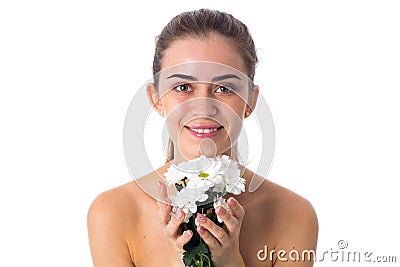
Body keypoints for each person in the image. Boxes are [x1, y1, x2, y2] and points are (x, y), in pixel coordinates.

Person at [87, 9, 318, 267]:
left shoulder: (294, 214)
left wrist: (230, 263)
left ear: (250, 101)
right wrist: (179, 260)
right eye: (183, 87)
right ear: (156, 99)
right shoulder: (112, 212)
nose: (204, 107)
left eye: (224, 88)